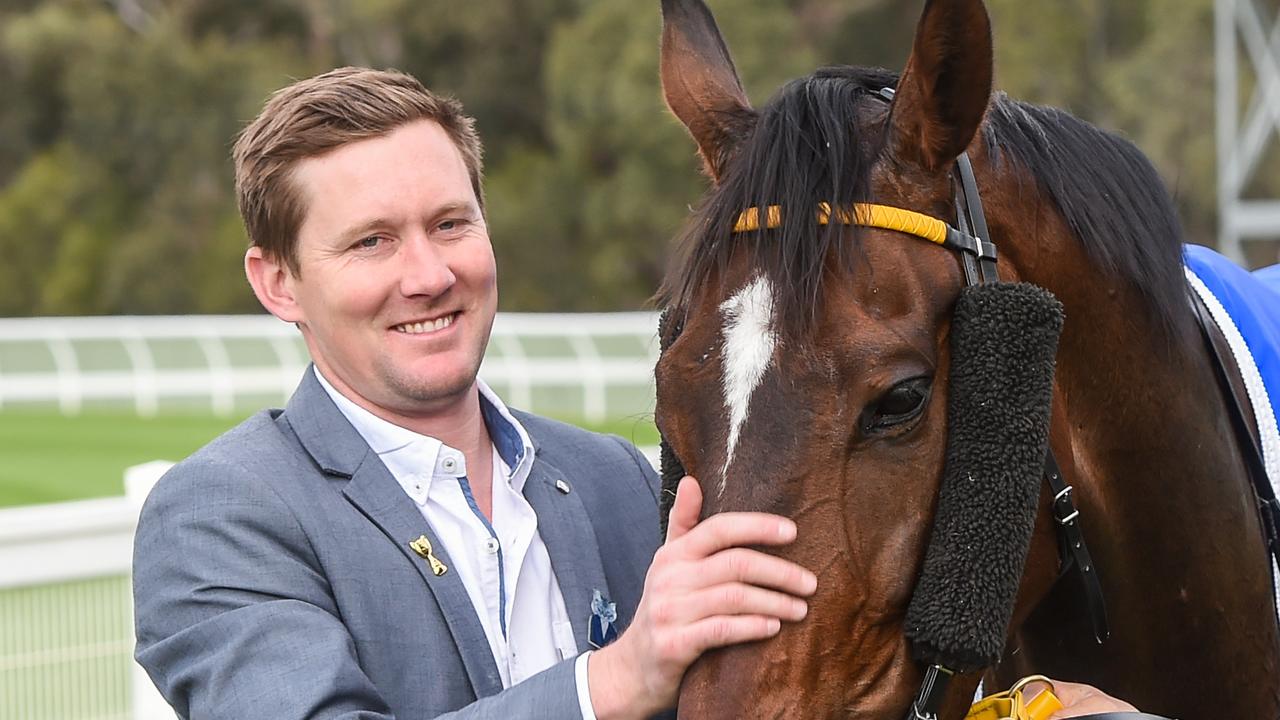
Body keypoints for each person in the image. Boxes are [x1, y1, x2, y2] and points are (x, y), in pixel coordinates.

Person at [132, 66, 1138, 719]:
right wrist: (611, 681)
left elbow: (788, 685)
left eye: (448, 224)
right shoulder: (220, 515)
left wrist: (1025, 710)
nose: (426, 274)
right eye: (368, 242)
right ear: (276, 282)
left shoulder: (613, 480)